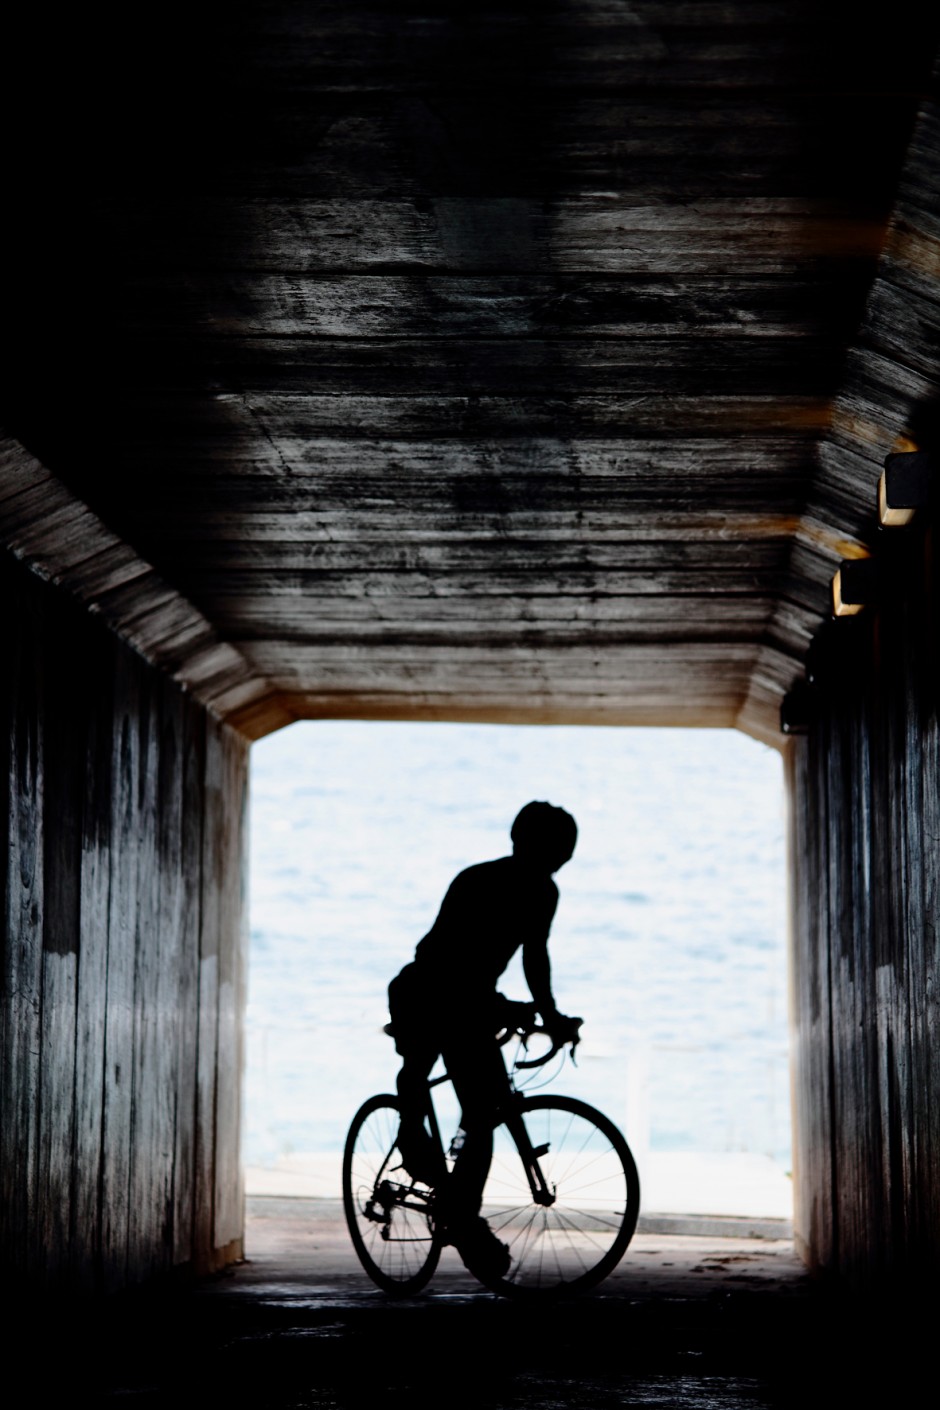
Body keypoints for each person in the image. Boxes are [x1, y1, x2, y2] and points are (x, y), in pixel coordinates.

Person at [386, 800, 582, 1279]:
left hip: (472, 999)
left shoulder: (544, 893)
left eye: (563, 850)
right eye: (556, 848)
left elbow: (535, 957)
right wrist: (512, 1007)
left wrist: (548, 1012)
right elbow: (448, 958)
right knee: (424, 1068)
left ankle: (460, 1215)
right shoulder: (478, 880)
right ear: (523, 842)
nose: (558, 858)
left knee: (483, 1115)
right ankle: (413, 1137)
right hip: (428, 989)